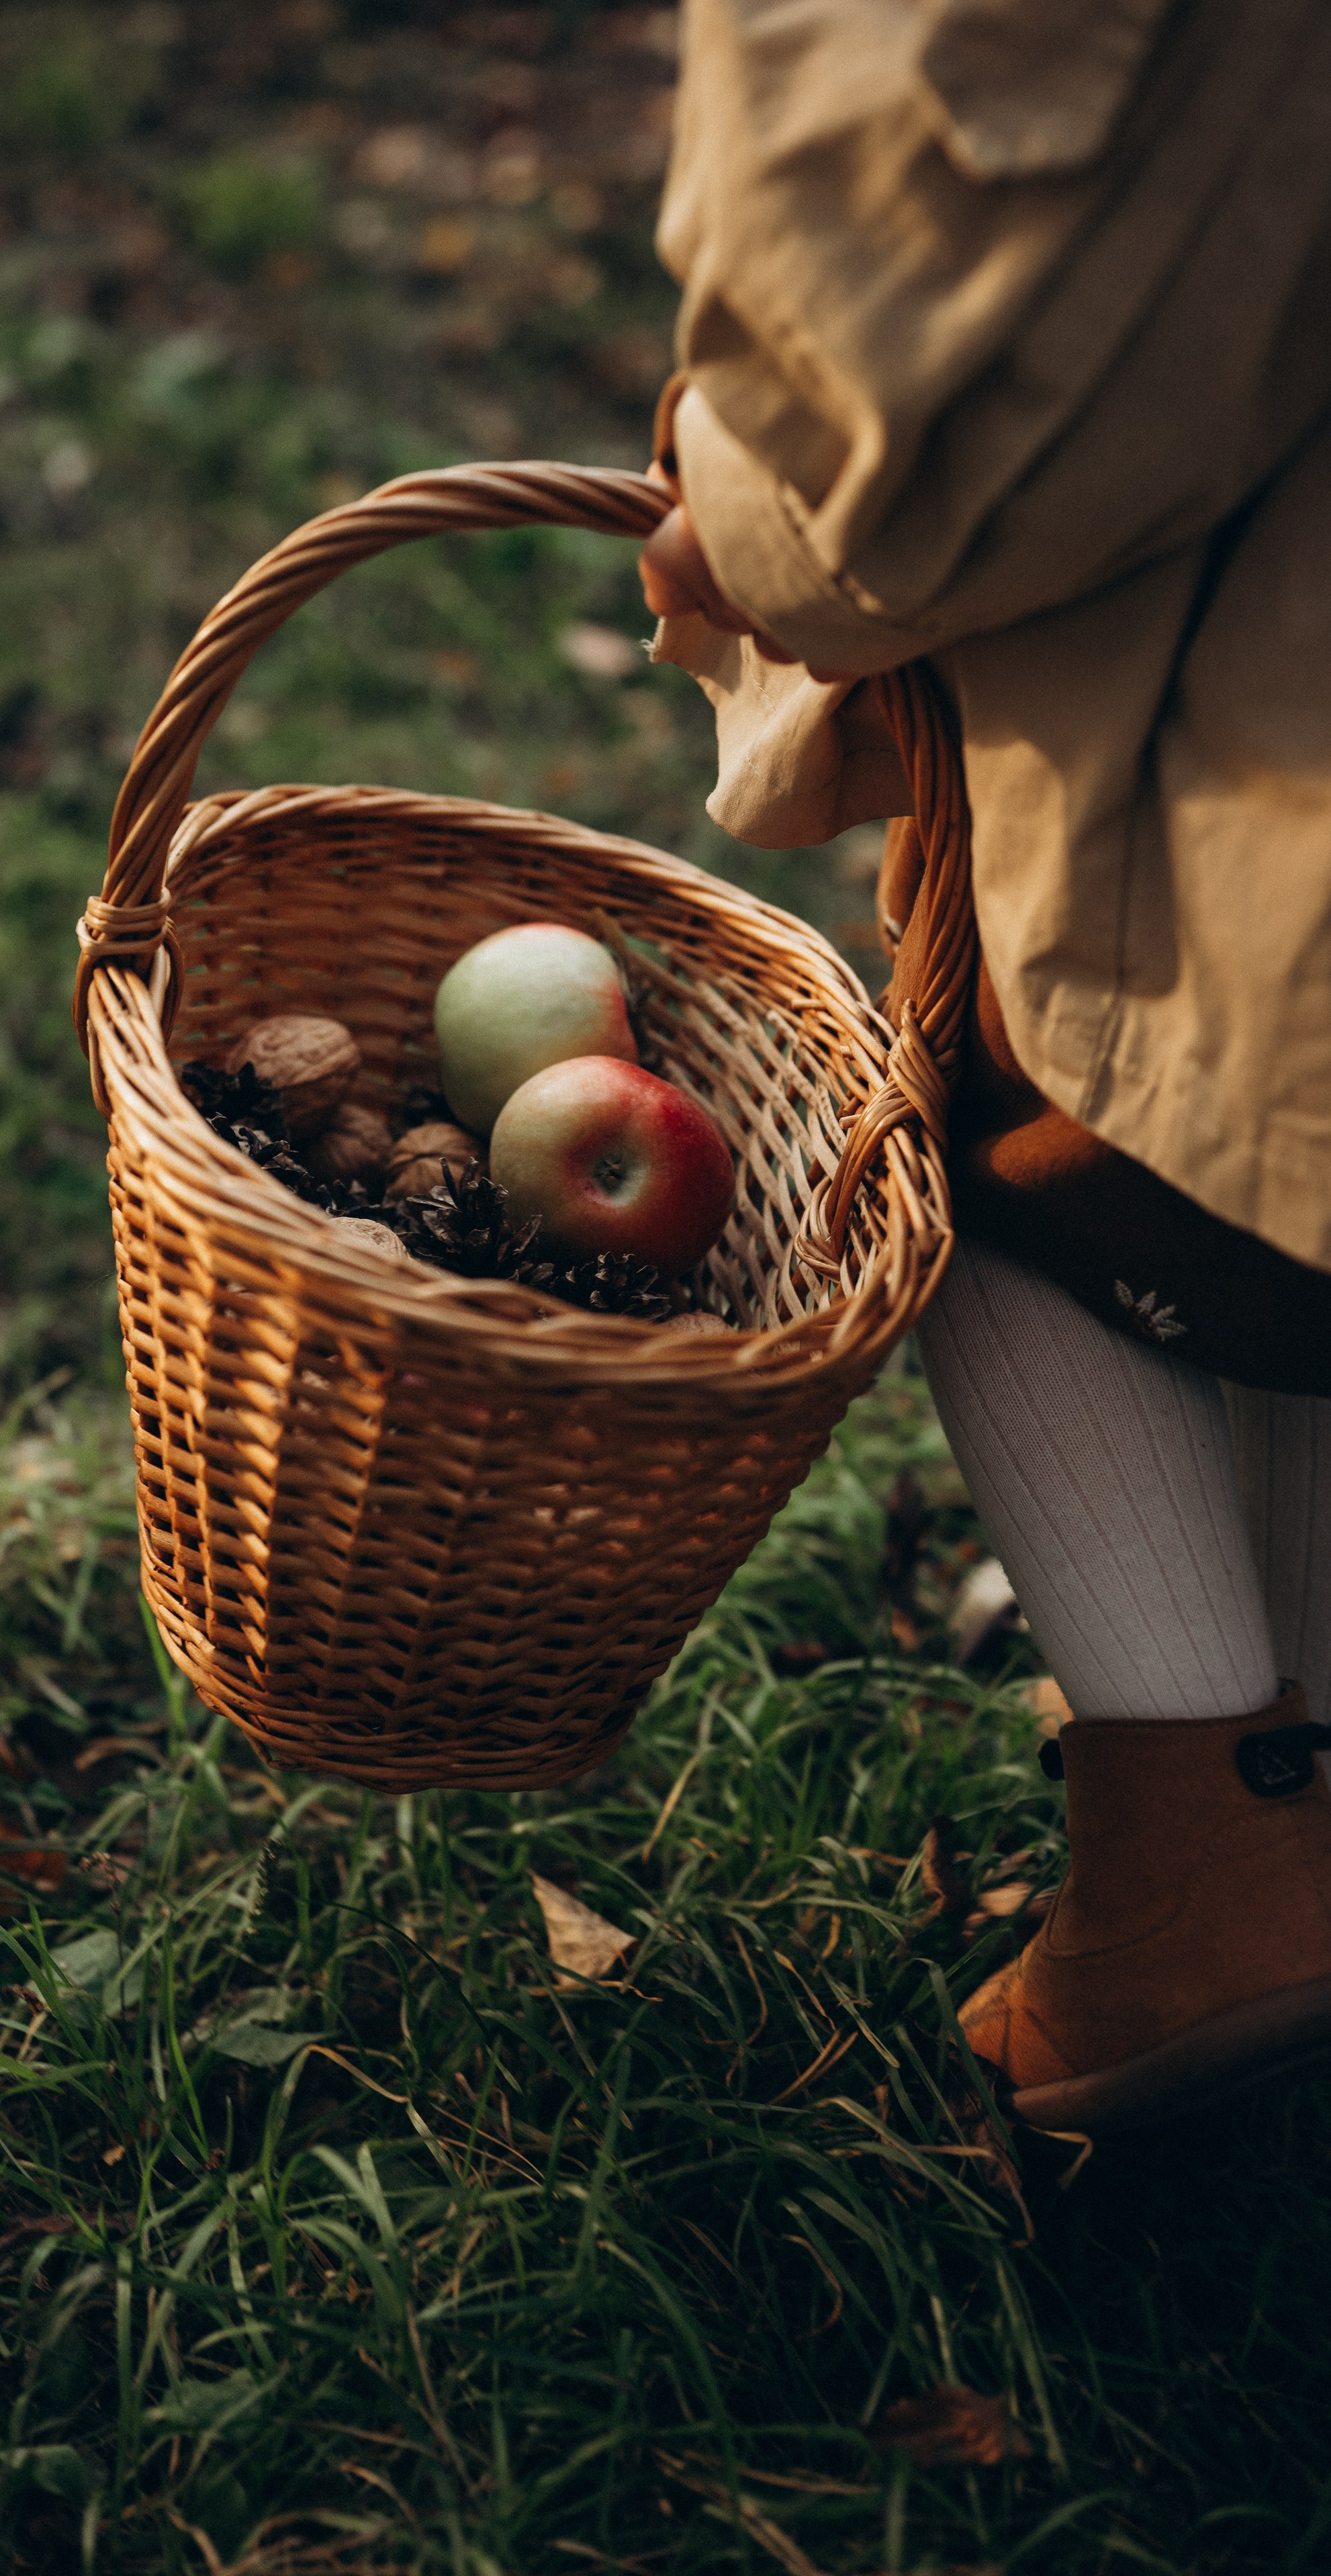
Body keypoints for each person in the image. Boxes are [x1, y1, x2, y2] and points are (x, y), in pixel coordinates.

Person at [637, 0, 1331, 2133]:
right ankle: (1309, 1804)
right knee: (1296, 1208)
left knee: (1026, 1156)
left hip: (1253, 689)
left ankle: (1205, 1868)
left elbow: (974, 285)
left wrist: (760, 505)